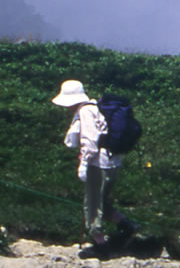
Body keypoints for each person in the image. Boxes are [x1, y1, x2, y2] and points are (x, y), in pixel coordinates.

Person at [52, 79, 137, 255]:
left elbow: (90, 142)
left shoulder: (85, 112)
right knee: (101, 201)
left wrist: (83, 165)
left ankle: (100, 246)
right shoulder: (96, 106)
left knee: (91, 205)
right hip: (113, 161)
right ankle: (126, 225)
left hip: (98, 164)